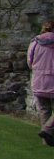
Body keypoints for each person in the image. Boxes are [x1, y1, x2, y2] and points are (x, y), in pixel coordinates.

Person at [29, 18, 54, 146]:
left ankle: (46, 141)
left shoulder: (34, 43)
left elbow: (30, 62)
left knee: (44, 110)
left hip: (38, 80)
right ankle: (47, 130)